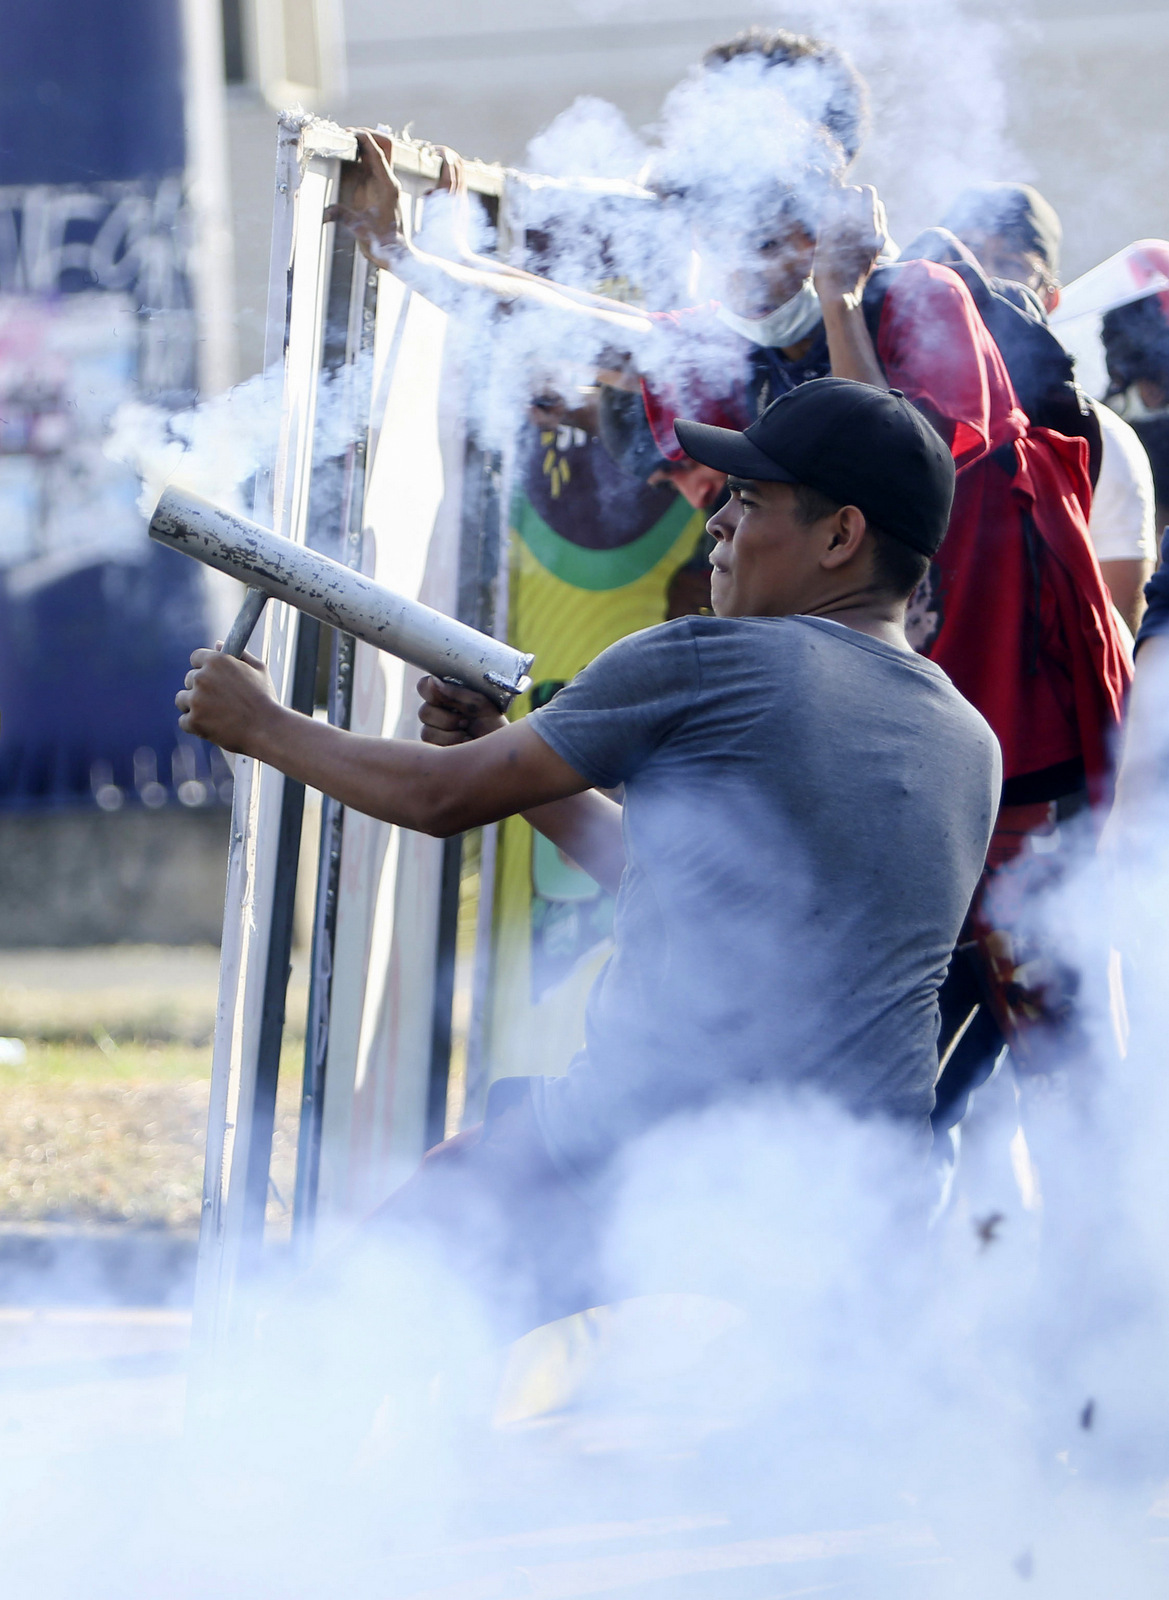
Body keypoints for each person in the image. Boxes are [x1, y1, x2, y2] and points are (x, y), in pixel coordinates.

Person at [176, 380, 1000, 1337]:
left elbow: (438, 799)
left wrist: (263, 726)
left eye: (748, 501)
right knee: (806, 1478)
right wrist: (506, 746)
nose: (718, 524)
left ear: (839, 535)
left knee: (368, 1324)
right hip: (858, 1195)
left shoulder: (708, 659)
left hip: (648, 1147)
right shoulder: (964, 738)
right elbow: (693, 887)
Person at [941, 181, 1156, 633]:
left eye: (1009, 265)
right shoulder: (890, 411)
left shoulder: (1102, 442)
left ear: (1050, 297)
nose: (981, 280)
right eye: (966, 257)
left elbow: (1115, 642)